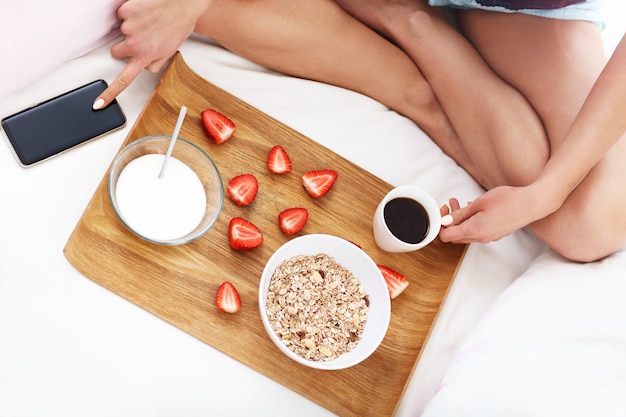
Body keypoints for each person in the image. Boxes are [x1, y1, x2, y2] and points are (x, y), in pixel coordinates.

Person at [94, 0, 626, 262]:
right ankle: (419, 90)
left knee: (589, 226)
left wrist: (544, 193)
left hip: (514, 9)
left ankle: (412, 25)